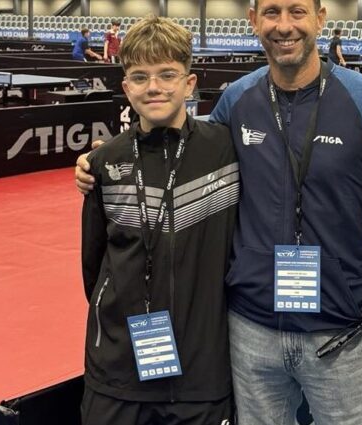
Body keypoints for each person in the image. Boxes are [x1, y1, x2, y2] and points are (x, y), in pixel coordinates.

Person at [76, 0, 362, 421]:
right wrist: (106, 159)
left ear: (320, 19)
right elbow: (180, 148)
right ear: (254, 21)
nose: (284, 26)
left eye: (297, 11)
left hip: (342, 331)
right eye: (272, 12)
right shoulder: (237, 101)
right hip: (250, 333)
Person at [79, 15, 237, 425]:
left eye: (167, 74)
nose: (154, 87)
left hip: (202, 375)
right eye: (140, 76)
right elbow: (93, 265)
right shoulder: (104, 162)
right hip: (116, 373)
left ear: (189, 82)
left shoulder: (226, 150)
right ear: (126, 87)